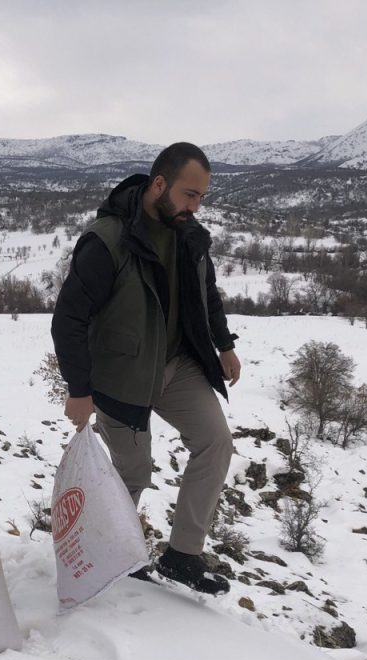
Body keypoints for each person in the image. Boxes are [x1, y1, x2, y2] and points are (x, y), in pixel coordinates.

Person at [51, 142, 240, 595]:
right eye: (189, 195)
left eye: (201, 198)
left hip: (178, 365)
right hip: (122, 376)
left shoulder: (189, 235)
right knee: (132, 473)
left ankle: (182, 556)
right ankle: (102, 552)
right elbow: (68, 319)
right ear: (159, 184)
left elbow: (206, 292)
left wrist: (224, 344)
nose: (195, 207)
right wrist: (79, 390)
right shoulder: (107, 240)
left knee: (216, 442)